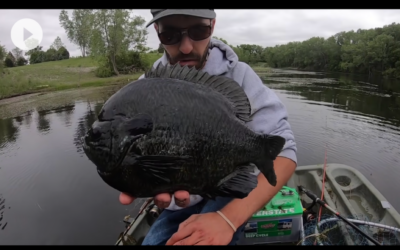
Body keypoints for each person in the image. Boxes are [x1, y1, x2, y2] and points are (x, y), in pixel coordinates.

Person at [119, 9, 298, 245]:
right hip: (176, 204)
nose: (185, 47)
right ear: (157, 32)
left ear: (212, 26)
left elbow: (284, 153)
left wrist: (227, 220)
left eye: (197, 31)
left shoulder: (240, 76)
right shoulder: (145, 90)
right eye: (170, 35)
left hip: (230, 194)